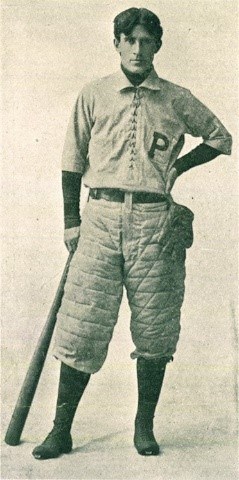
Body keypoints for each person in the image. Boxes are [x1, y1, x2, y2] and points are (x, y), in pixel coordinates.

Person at [32, 7, 232, 460]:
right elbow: (71, 161)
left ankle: (144, 425)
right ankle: (61, 430)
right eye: (130, 40)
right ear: (117, 43)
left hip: (155, 222)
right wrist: (70, 221)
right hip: (99, 217)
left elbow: (221, 138)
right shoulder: (94, 94)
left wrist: (178, 166)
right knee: (82, 325)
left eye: (147, 41)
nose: (138, 49)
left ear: (157, 45)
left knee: (155, 326)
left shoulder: (176, 98)